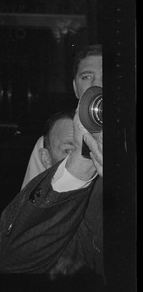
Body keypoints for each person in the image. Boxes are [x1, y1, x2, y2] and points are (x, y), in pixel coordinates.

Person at [0, 107, 103, 278]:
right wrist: (80, 163)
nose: (90, 149)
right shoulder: (46, 198)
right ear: (45, 157)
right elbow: (13, 261)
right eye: (68, 151)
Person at [21, 46, 102, 188]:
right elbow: (31, 205)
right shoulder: (52, 141)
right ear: (75, 87)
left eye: (106, 76)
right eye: (87, 77)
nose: (97, 84)